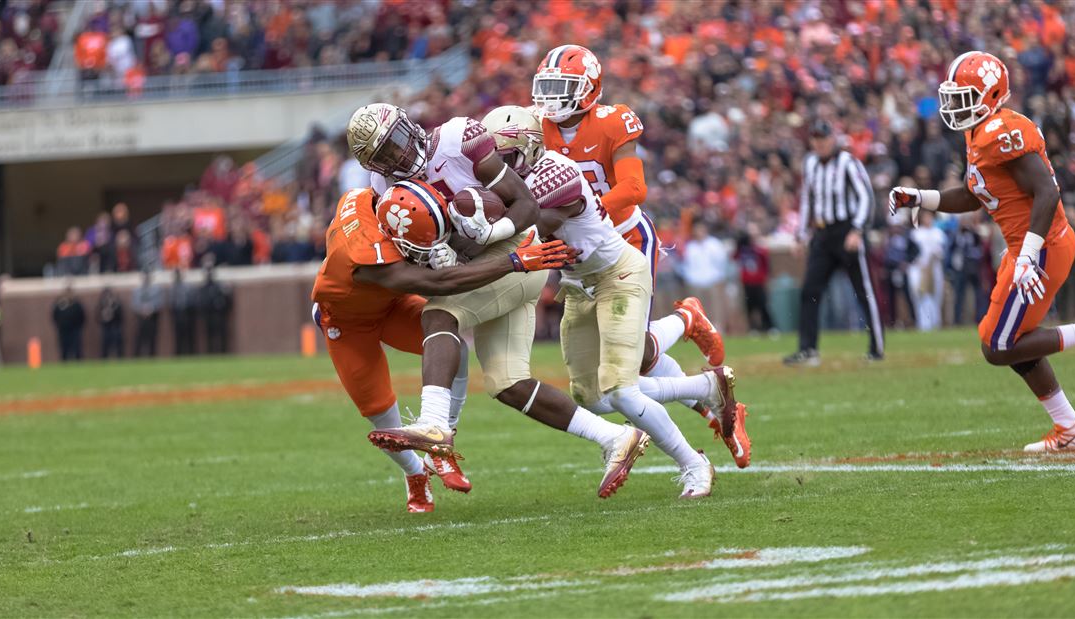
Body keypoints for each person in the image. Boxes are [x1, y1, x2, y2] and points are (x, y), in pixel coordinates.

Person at [345, 104, 650, 504]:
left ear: (410, 127)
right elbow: (421, 248)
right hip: (483, 266)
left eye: (397, 143)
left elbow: (524, 204)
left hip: (520, 251)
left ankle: (436, 423)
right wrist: (436, 253)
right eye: (384, 155)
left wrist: (491, 232)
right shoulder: (384, 187)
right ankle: (617, 437)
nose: (397, 157)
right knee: (508, 383)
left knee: (439, 311)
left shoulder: (457, 139)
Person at [482, 106, 751, 495]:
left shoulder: (554, 174)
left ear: (528, 147)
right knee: (590, 397)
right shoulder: (522, 173)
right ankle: (705, 387)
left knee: (621, 389)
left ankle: (694, 464)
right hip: (578, 287)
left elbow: (533, 221)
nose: (497, 167)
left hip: (617, 276)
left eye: (503, 157)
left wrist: (475, 219)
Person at [890, 51, 1075, 453]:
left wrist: (1028, 255)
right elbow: (975, 194)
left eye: (964, 96)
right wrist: (923, 198)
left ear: (992, 94)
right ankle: (1070, 428)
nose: (955, 106)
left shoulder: (1000, 130)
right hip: (1027, 248)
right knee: (1005, 339)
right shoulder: (979, 131)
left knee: (999, 346)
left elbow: (1048, 192)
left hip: (1041, 247)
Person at [310, 185, 603, 511]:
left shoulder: (372, 199)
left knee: (449, 344)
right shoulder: (369, 256)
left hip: (392, 305)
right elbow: (439, 282)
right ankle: (415, 472)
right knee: (383, 417)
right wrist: (513, 262)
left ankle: (440, 437)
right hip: (348, 325)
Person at [533, 44, 725, 386]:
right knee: (627, 358)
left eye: (561, 88)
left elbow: (634, 188)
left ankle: (687, 320)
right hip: (579, 252)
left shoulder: (611, 121)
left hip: (626, 238)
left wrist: (589, 210)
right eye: (546, 87)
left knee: (629, 353)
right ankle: (709, 401)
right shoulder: (535, 126)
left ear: (589, 88)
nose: (551, 98)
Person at [785, 118, 884, 366]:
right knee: (810, 291)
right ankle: (808, 349)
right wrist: (800, 235)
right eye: (816, 139)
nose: (820, 143)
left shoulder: (848, 162)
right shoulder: (810, 164)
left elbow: (866, 197)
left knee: (864, 292)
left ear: (832, 139)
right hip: (822, 234)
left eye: (824, 138)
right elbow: (808, 200)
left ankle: (877, 347)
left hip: (846, 231)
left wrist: (857, 230)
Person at [680, 222, 728, 332]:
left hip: (712, 280)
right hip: (695, 282)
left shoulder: (714, 244)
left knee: (716, 307)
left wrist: (720, 277)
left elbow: (721, 262)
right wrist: (688, 278)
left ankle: (717, 330)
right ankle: (701, 331)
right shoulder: (690, 247)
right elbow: (686, 264)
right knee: (698, 309)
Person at [947, 212, 989, 325]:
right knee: (959, 294)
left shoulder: (974, 234)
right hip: (960, 267)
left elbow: (980, 249)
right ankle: (957, 320)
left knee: (978, 294)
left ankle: (980, 317)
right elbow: (951, 251)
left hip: (973, 267)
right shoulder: (956, 235)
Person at [908, 209, 947, 331]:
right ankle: (923, 324)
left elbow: (943, 252)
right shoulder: (915, 234)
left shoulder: (938, 233)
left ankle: (935, 323)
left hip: (934, 268)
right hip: (919, 268)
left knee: (936, 295)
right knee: (921, 296)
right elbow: (910, 253)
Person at [735, 227, 775, 334]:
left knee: (763, 305)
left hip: (759, 282)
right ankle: (753, 328)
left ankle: (769, 326)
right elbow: (735, 257)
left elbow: (765, 262)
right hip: (747, 283)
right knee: (750, 307)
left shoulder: (759, 249)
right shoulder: (742, 249)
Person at [198, 265, 232, 355]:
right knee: (209, 335)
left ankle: (223, 352)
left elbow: (227, 300)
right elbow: (201, 301)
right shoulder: (204, 288)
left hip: (219, 314)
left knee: (221, 333)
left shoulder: (219, 287)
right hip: (208, 314)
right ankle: (210, 352)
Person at [132, 270, 163, 357]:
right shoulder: (137, 290)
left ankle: (152, 357)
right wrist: (142, 310)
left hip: (152, 317)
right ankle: (137, 357)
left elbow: (159, 303)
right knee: (139, 339)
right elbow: (134, 304)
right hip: (140, 318)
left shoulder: (156, 289)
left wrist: (151, 309)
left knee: (152, 338)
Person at [52, 282, 86, 362]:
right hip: (63, 330)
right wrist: (60, 325)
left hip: (75, 329)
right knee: (64, 348)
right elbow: (54, 315)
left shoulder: (76, 304)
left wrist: (78, 326)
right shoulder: (60, 303)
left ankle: (78, 363)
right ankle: (64, 363)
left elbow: (82, 316)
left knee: (77, 348)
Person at [169, 269, 197, 355]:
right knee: (178, 335)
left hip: (188, 313)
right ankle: (178, 353)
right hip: (177, 313)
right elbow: (171, 302)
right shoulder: (173, 288)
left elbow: (192, 300)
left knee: (189, 335)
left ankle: (191, 353)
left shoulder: (188, 287)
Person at [97, 287, 124, 359]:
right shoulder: (101, 304)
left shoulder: (116, 303)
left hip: (115, 326)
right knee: (105, 344)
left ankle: (119, 358)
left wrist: (113, 312)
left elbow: (121, 316)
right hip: (106, 327)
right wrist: (104, 317)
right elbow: (97, 316)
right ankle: (104, 359)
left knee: (118, 344)